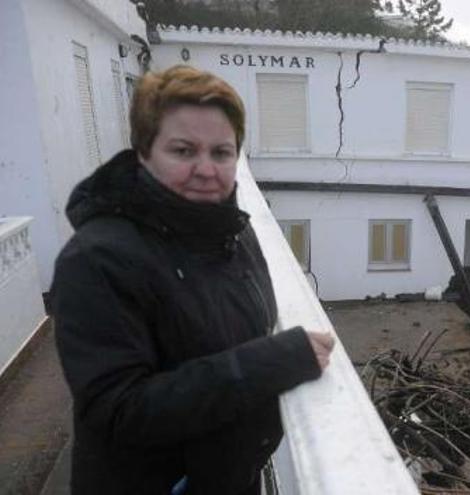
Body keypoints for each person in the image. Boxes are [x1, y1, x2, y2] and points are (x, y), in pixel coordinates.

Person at [50, 65, 335, 495]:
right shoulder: (96, 260)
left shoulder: (233, 231)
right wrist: (276, 361)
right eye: (183, 151)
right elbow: (119, 408)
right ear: (144, 152)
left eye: (222, 152)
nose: (206, 169)